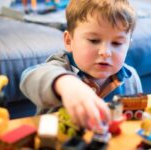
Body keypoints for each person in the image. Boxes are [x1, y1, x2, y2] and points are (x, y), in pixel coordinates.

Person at [20, 0, 142, 130]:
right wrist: (66, 83)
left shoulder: (131, 77)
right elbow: (29, 78)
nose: (106, 52)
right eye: (94, 40)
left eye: (117, 43)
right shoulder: (60, 67)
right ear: (69, 41)